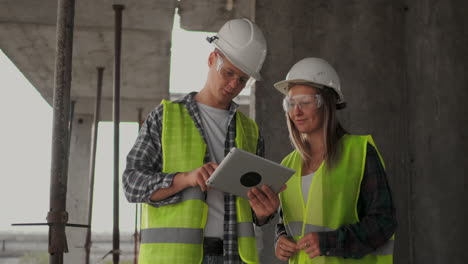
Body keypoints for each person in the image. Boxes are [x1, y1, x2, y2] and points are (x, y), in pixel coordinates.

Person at [122, 18, 280, 264]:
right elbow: (132, 183)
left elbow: (250, 210)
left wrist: (263, 213)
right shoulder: (166, 118)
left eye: (242, 79)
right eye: (228, 72)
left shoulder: (250, 132)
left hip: (233, 258)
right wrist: (185, 179)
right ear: (211, 59)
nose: (233, 85)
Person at [273, 57, 397, 263]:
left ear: (327, 103)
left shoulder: (360, 152)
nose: (296, 111)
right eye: (291, 103)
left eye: (305, 102)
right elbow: (286, 222)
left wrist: (330, 242)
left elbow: (383, 222)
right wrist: (280, 240)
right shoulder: (287, 165)